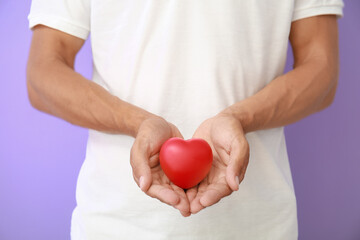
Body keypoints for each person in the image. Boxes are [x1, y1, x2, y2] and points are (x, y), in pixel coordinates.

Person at [26, 0, 344, 239]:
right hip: (114, 227)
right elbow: (43, 74)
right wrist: (137, 123)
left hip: (259, 227)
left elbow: (322, 70)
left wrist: (239, 118)